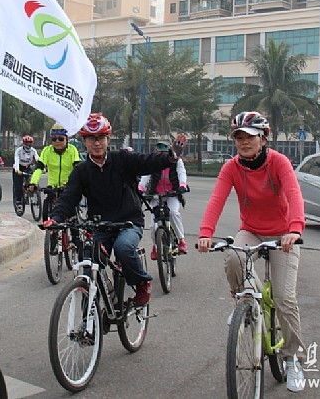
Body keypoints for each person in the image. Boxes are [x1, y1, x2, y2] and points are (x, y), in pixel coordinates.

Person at [196, 111, 306, 393]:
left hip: (283, 236)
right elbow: (217, 199)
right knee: (233, 256)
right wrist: (206, 233)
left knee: (284, 298)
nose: (244, 142)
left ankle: (293, 359)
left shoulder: (278, 162)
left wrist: (295, 229)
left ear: (263, 138)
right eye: (239, 137)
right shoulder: (231, 167)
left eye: (250, 137)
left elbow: (294, 194)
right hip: (252, 230)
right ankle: (244, 300)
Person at [43, 112, 180, 306]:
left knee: (123, 248)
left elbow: (147, 162)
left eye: (100, 137)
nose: (96, 143)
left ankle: (142, 282)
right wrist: (56, 218)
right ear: (84, 141)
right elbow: (68, 198)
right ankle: (89, 315)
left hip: (129, 222)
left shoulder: (122, 159)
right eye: (91, 138)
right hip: (99, 225)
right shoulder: (81, 171)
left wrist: (170, 157)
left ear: (108, 138)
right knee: (89, 262)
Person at [139, 139, 189, 257]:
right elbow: (146, 175)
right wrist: (140, 187)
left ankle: (181, 240)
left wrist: (182, 185)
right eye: (159, 151)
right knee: (153, 225)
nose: (162, 154)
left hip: (172, 194)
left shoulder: (177, 161)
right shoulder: (153, 161)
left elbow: (181, 173)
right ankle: (155, 246)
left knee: (173, 213)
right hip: (156, 195)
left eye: (165, 151)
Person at [12, 135, 39, 211]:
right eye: (27, 143)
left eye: (30, 143)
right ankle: (18, 202)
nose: (28, 145)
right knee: (18, 186)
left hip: (27, 167)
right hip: (19, 168)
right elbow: (16, 160)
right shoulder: (19, 150)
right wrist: (17, 170)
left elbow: (37, 159)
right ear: (24, 143)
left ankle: (31, 194)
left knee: (32, 182)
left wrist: (42, 167)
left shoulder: (33, 150)